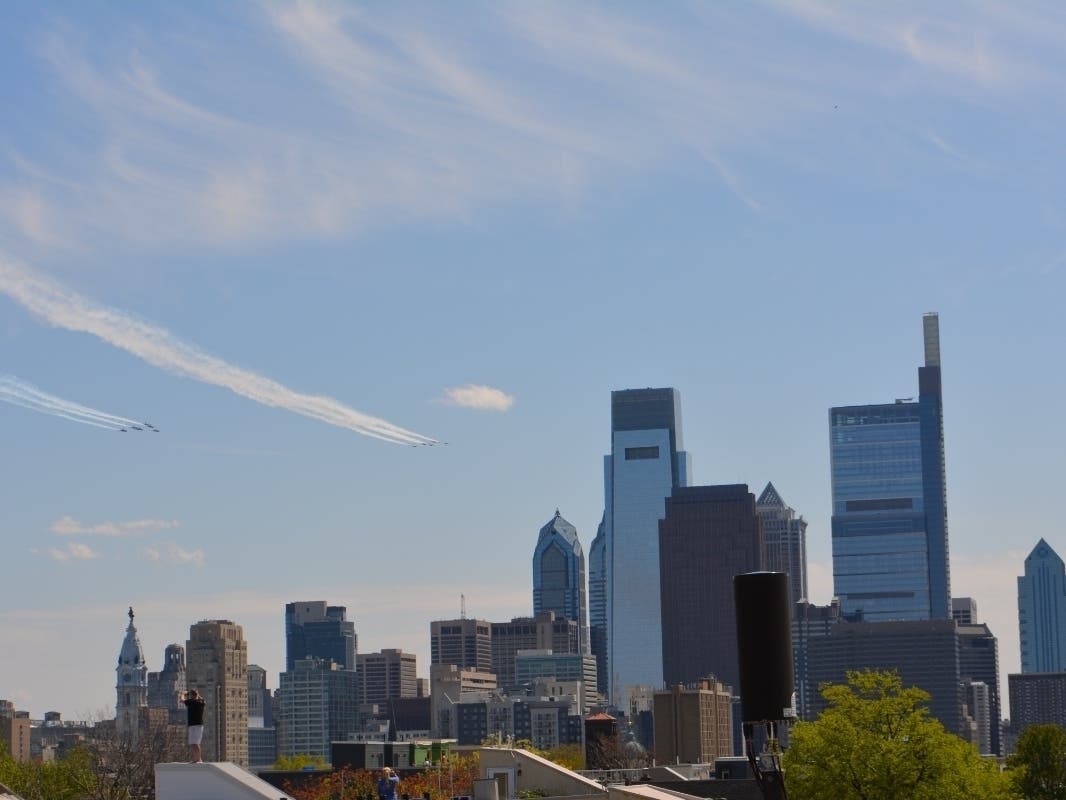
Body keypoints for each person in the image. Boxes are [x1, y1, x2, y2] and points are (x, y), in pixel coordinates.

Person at [182, 689, 206, 763]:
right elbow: (202, 699)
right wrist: (197, 695)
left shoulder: (192, 702)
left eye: (190, 695)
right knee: (195, 743)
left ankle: (198, 759)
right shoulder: (201, 702)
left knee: (194, 743)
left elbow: (182, 700)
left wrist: (183, 694)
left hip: (194, 725)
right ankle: (197, 759)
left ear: (192, 695)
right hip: (198, 725)